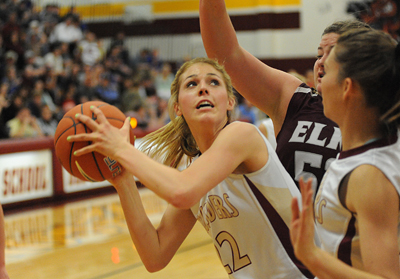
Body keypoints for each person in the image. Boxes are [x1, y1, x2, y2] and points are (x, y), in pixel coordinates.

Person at [69, 57, 313, 278]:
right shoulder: (196, 176)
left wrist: (122, 150)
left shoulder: (242, 135)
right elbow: (155, 256)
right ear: (177, 108)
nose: (203, 88)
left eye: (214, 82)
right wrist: (123, 182)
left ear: (229, 102)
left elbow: (180, 191)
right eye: (192, 84)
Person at [199, 0, 370, 192]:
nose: (321, 62)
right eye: (319, 55)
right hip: (287, 221)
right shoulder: (296, 100)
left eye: (333, 54)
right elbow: (227, 55)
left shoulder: (381, 114)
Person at [290, 28, 400, 279]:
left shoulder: (369, 176)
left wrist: (312, 256)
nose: (319, 80)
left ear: (347, 87)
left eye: (326, 71)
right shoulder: (368, 149)